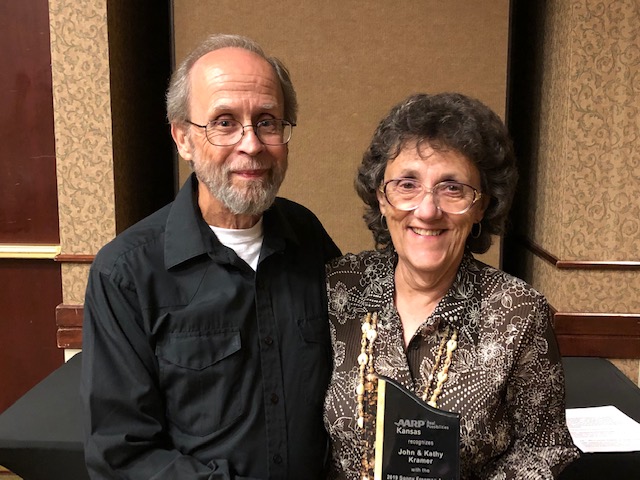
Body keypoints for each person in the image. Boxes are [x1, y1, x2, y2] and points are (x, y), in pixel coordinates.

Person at [81, 34, 340, 479]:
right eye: (224, 122)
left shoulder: (308, 237)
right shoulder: (126, 274)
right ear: (182, 138)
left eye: (267, 122)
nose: (252, 144)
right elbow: (122, 454)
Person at [324, 93, 580, 479]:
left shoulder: (518, 311)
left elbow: (543, 449)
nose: (427, 210)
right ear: (381, 197)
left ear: (481, 206)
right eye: (407, 184)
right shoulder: (338, 288)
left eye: (452, 188)